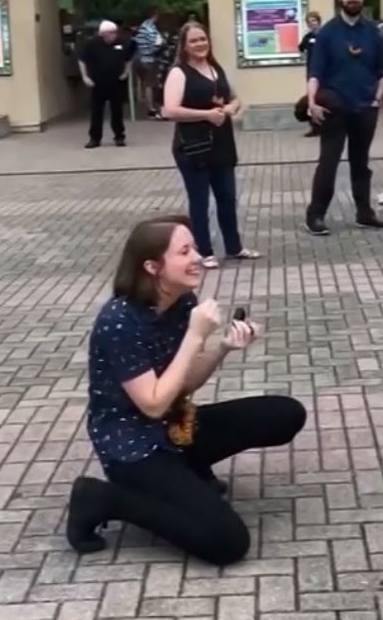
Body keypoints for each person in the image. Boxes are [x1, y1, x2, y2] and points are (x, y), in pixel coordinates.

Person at [67, 216, 307, 565]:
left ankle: (187, 468)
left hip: (174, 426)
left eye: (195, 247)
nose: (198, 256)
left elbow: (186, 382)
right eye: (184, 251)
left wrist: (223, 347)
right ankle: (105, 499)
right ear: (152, 267)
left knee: (286, 414)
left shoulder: (182, 303)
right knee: (228, 543)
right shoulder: (118, 320)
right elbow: (151, 404)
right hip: (133, 448)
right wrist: (196, 335)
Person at [161, 23, 262, 269]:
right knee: (200, 201)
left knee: (227, 198)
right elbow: (170, 110)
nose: (200, 44)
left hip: (222, 144)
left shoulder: (216, 68)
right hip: (193, 147)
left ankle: (234, 247)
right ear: (184, 45)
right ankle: (204, 251)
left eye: (203, 39)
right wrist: (205, 115)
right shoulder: (179, 73)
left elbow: (236, 99)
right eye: (194, 41)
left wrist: (230, 108)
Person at [303, 0, 383, 236]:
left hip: (365, 109)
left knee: (360, 163)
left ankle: (365, 213)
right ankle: (315, 216)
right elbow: (315, 72)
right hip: (334, 110)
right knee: (328, 163)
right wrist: (311, 102)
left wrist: (378, 99)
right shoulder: (327, 33)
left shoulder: (373, 31)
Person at [79, 20, 132, 148]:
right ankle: (94, 138)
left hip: (116, 82)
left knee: (117, 111)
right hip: (97, 83)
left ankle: (119, 136)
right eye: (111, 33)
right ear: (103, 34)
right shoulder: (92, 44)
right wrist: (85, 77)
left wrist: (126, 72)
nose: (114, 35)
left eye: (115, 32)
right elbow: (82, 60)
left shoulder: (121, 43)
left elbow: (128, 59)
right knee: (96, 112)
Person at [133, 6, 164, 119]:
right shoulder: (151, 29)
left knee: (146, 84)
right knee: (150, 85)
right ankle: (151, 109)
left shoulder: (141, 28)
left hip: (139, 59)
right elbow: (155, 45)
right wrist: (161, 44)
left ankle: (150, 107)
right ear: (155, 15)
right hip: (148, 60)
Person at [298, 11, 324, 137]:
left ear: (319, 21)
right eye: (310, 22)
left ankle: (327, 125)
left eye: (314, 20)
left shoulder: (325, 35)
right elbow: (301, 48)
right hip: (311, 71)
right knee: (312, 99)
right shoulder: (308, 37)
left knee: (324, 98)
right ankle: (315, 127)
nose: (312, 23)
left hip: (324, 72)